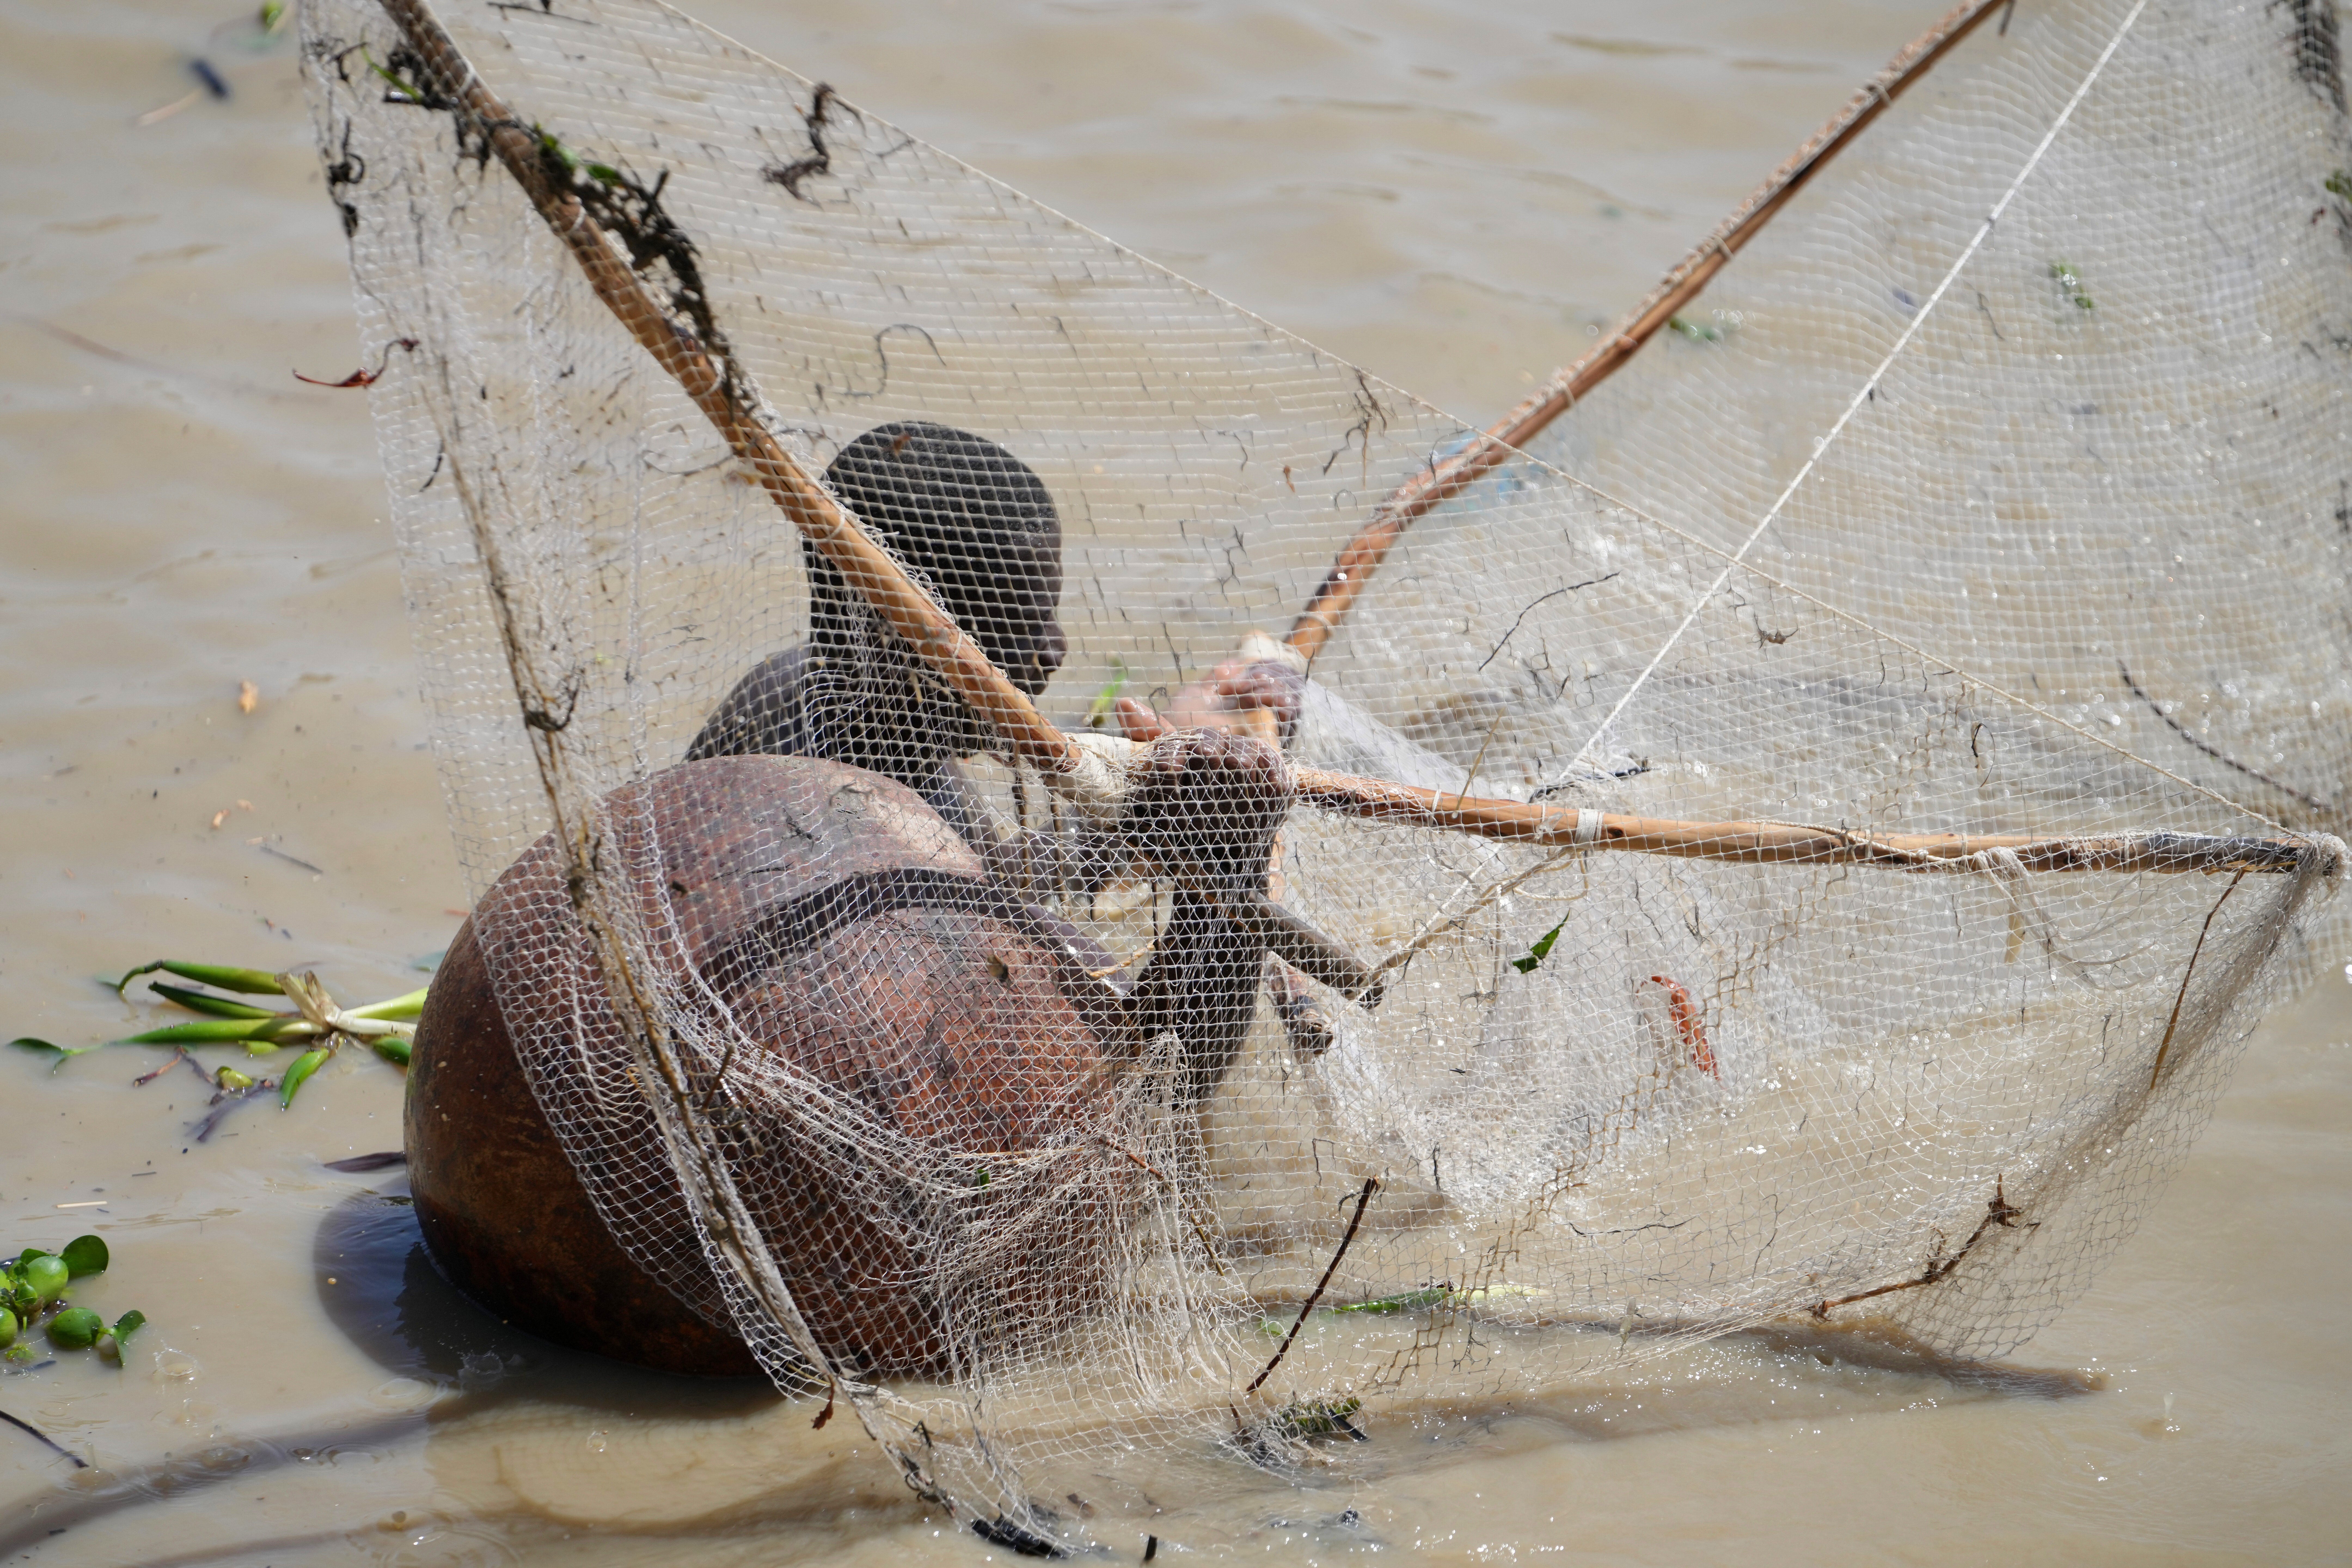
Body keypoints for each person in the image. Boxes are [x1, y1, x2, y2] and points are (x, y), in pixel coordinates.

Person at [689, 419, 1319, 1103]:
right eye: (1022, 618)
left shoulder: (827, 706)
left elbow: (996, 874)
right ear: (908, 629)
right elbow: (1168, 1090)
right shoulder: (802, 781)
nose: (1056, 649)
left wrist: (1175, 780)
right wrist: (1233, 862)